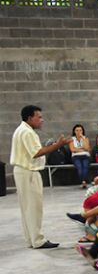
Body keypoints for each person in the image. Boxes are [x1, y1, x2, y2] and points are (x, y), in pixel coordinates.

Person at [10, 105, 71, 248]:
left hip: (22, 171)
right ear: (30, 118)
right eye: (39, 117)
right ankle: (38, 240)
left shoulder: (22, 130)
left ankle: (31, 239)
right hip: (28, 172)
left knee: (27, 207)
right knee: (33, 207)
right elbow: (36, 152)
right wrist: (58, 145)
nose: (42, 120)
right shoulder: (27, 132)